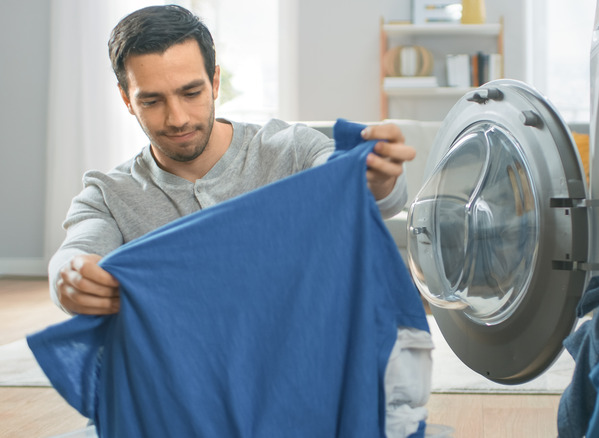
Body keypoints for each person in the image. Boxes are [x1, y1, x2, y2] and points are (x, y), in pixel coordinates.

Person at [49, 4, 416, 315]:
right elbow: (76, 251)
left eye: (191, 92)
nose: (177, 118)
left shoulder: (291, 149)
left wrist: (376, 181)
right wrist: (69, 277)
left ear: (215, 82)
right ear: (127, 100)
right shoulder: (108, 194)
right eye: (151, 100)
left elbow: (358, 189)